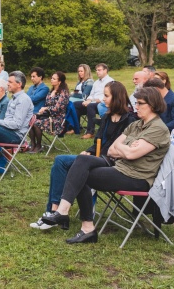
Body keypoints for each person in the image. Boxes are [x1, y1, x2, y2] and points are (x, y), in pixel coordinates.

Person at [35, 87, 169, 244]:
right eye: (136, 103)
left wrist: (126, 148)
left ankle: (83, 226)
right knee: (82, 162)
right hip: (121, 167)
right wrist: (130, 147)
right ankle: (67, 214)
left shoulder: (158, 129)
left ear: (152, 105)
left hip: (137, 177)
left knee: (82, 175)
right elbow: (112, 149)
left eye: (140, 103)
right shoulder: (137, 125)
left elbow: (131, 155)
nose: (136, 106)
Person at [30, 80, 137, 230]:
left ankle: (57, 212)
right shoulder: (107, 117)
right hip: (97, 157)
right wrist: (90, 151)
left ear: (117, 97)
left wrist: (94, 155)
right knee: (60, 161)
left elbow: (121, 149)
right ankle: (55, 210)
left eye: (107, 96)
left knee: (74, 162)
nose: (104, 99)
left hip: (113, 163)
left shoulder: (130, 121)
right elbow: (98, 141)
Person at [27, 71, 69, 152]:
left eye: (54, 79)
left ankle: (39, 145)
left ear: (59, 81)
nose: (51, 80)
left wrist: (46, 109)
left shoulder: (63, 93)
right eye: (51, 78)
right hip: (48, 116)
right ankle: (33, 144)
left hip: (58, 119)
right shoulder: (51, 91)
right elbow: (47, 104)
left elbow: (58, 108)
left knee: (36, 123)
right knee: (31, 120)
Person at [82, 63, 115, 139]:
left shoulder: (110, 81)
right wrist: (89, 99)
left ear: (105, 70)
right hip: (93, 102)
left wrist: (91, 101)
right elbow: (91, 94)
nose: (97, 72)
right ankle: (75, 128)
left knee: (90, 106)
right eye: (96, 70)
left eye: (99, 70)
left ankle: (90, 132)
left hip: (103, 104)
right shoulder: (96, 82)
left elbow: (106, 97)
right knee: (76, 105)